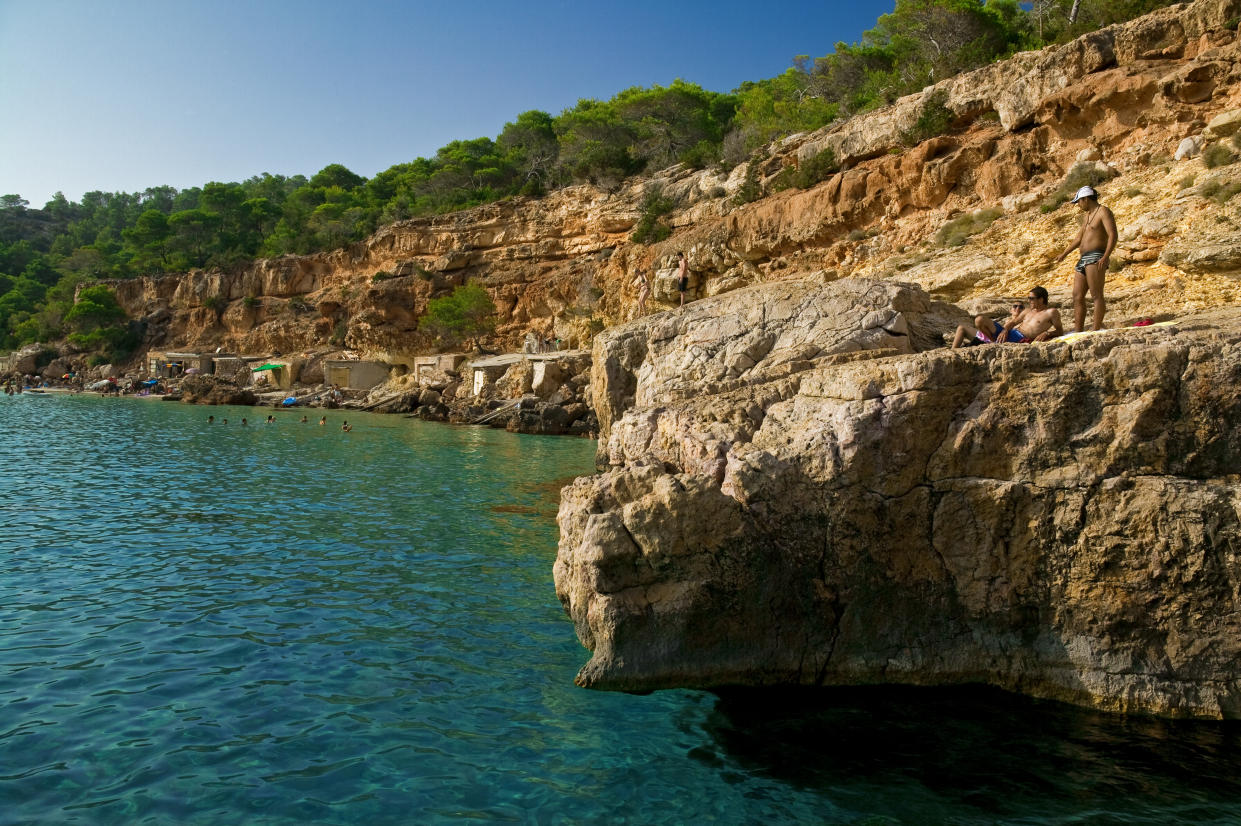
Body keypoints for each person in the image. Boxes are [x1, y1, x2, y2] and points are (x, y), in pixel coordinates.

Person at [1054, 186, 1116, 332]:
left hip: (1096, 256)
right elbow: (1079, 238)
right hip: (1083, 258)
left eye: (1079, 202)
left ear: (1086, 199)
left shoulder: (1103, 212)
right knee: (1077, 296)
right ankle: (1078, 331)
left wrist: (1106, 256)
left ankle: (1095, 329)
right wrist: (1064, 253)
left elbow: (1113, 234)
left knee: (1096, 294)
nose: (1078, 205)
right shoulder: (1087, 216)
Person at [952, 286, 1063, 348]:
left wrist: (1048, 333)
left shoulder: (1051, 312)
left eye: (1031, 298)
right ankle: (993, 342)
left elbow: (1060, 331)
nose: (1029, 301)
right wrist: (1005, 330)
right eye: (1028, 298)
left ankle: (994, 344)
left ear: (1041, 299)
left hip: (1020, 339)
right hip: (1010, 333)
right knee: (979, 320)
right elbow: (1014, 322)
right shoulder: (1028, 311)